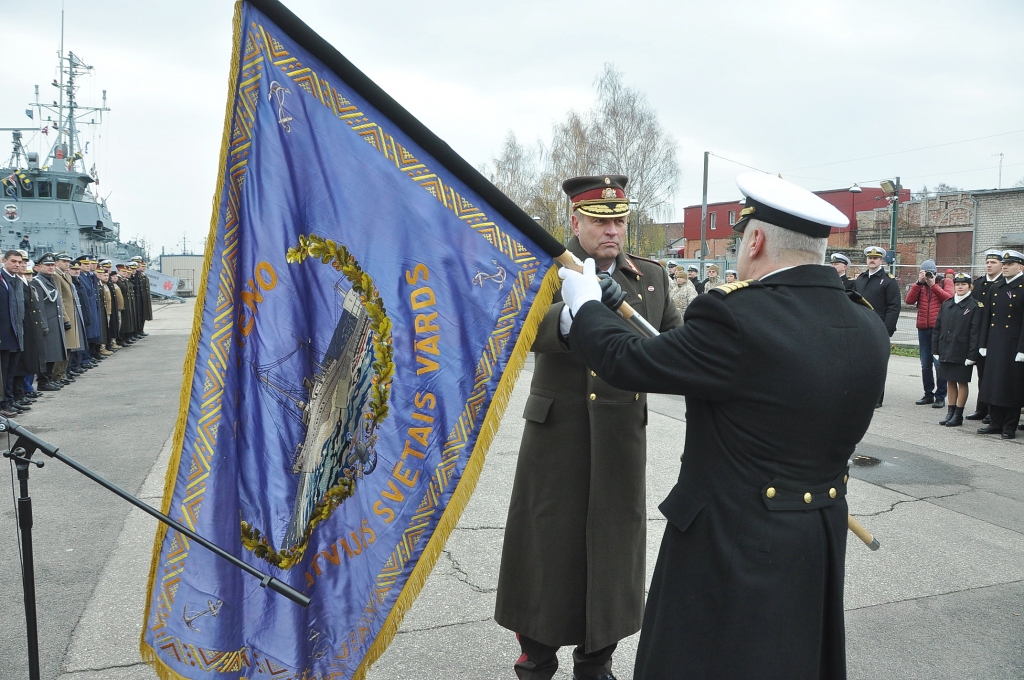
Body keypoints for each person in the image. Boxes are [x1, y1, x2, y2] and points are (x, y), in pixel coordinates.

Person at [556, 172, 889, 679]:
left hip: (731, 535)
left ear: (755, 241)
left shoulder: (739, 316)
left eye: (740, 241)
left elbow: (629, 361)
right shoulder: (867, 322)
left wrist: (583, 306)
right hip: (817, 532)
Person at [495, 174, 682, 680]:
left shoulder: (650, 277)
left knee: (612, 548)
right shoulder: (545, 270)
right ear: (575, 222)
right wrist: (571, 311)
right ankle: (536, 658)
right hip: (557, 435)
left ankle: (596, 661)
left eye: (619, 221)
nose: (612, 231)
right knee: (547, 543)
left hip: (621, 437)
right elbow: (516, 329)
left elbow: (676, 343)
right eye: (601, 222)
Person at [977, 250, 1024, 439]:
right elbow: (987, 317)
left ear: (1020, 267)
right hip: (995, 342)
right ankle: (996, 422)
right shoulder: (996, 287)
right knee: (994, 383)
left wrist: (1022, 348)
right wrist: (983, 343)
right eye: (1003, 264)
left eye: (1009, 264)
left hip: (1014, 345)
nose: (1005, 267)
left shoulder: (1022, 287)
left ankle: (1009, 425)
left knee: (1012, 385)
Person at [932, 272, 983, 427]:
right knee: (950, 381)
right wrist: (935, 349)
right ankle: (950, 412)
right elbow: (937, 328)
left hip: (963, 351)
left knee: (962, 382)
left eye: (963, 284)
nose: (960, 287)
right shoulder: (947, 304)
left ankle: (958, 414)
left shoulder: (975, 306)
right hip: (946, 348)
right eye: (957, 284)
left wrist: (972, 355)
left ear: (970, 287)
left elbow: (975, 333)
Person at [854, 245, 900, 407]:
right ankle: (861, 395)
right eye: (869, 258)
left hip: (878, 327)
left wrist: (886, 330)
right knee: (860, 363)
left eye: (875, 258)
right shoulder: (860, 279)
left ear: (881, 260)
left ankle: (876, 398)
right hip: (861, 327)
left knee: (877, 365)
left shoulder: (888, 280)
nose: (872, 260)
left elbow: (894, 306)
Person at [906, 258, 952, 408]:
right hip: (923, 329)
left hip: (939, 329)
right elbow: (909, 301)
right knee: (925, 364)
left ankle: (940, 396)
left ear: (935, 272)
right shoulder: (920, 286)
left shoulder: (945, 282)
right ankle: (928, 394)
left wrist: (933, 286)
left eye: (930, 273)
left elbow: (949, 299)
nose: (927, 276)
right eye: (925, 273)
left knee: (939, 364)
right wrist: (918, 283)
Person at [966, 249, 1005, 422]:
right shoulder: (979, 284)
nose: (989, 265)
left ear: (1002, 265)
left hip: (996, 335)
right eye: (987, 262)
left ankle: (993, 410)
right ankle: (981, 408)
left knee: (994, 376)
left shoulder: (1003, 284)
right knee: (982, 373)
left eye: (993, 262)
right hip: (979, 335)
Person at [30, 254, 68, 392]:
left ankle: (49, 379)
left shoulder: (50, 280)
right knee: (46, 355)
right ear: (40, 266)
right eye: (47, 265)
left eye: (52, 265)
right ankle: (43, 381)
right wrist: (43, 325)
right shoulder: (37, 282)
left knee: (54, 353)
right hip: (46, 323)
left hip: (54, 322)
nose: (51, 267)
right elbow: (38, 305)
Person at [0, 250, 26, 415]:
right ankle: (3, 404)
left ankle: (9, 401)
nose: (17, 264)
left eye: (19, 262)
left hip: (16, 333)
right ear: (4, 261)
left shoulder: (17, 281)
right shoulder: (2, 280)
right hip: (4, 334)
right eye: (13, 261)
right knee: (3, 372)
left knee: (11, 371)